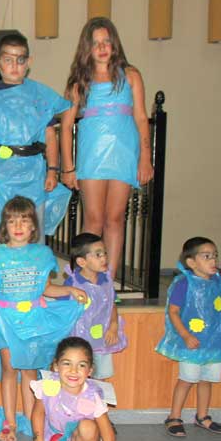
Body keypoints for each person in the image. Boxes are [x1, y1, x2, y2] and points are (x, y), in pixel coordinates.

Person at [0, 196, 87, 441]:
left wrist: (70, 290)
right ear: (4, 226)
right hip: (5, 320)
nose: (18, 226)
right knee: (9, 368)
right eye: (12, 221)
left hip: (34, 319)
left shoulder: (42, 254)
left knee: (29, 370)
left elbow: (46, 288)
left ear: (33, 226)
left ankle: (31, 420)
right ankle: (10, 422)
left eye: (24, 220)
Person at [60, 17, 152, 277]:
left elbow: (141, 118)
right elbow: (65, 127)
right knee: (94, 220)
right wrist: (68, 168)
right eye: (95, 43)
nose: (101, 48)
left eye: (106, 42)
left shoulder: (131, 76)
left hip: (124, 155)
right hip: (92, 156)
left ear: (115, 44)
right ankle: (86, 280)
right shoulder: (79, 82)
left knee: (115, 218)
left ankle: (108, 281)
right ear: (86, 48)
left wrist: (145, 158)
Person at [0, 32, 71, 243]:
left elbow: (49, 134)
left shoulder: (40, 96)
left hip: (33, 174)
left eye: (20, 59)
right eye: (8, 60)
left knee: (32, 228)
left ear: (29, 62)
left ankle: (32, 264)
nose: (14, 65)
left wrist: (53, 170)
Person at [157, 237, 221, 437]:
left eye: (215, 256)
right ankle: (174, 417)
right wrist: (186, 336)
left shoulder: (217, 283)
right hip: (192, 344)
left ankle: (202, 416)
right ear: (191, 262)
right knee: (187, 379)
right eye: (206, 256)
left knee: (206, 380)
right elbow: (173, 312)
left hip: (213, 343)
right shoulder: (184, 284)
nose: (213, 260)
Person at [23, 337, 116, 441]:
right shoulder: (48, 386)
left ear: (90, 371)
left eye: (81, 365)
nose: (74, 370)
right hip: (54, 439)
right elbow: (38, 414)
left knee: (87, 426)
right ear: (56, 366)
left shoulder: (91, 397)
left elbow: (109, 437)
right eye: (67, 363)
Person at [63, 233, 127, 380]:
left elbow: (111, 303)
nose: (104, 258)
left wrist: (114, 325)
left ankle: (98, 396)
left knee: (100, 377)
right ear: (82, 261)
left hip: (101, 338)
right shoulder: (73, 284)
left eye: (104, 253)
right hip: (78, 341)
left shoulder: (106, 280)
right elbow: (64, 312)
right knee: (80, 376)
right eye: (98, 255)